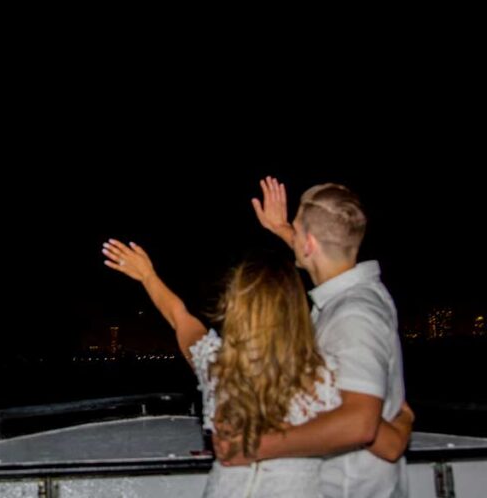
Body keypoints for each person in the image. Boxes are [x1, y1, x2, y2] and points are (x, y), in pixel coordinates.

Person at [102, 239, 413, 497]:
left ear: (236, 308)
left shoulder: (218, 368)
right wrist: (403, 418)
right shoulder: (324, 382)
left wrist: (147, 276)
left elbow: (179, 317)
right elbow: (387, 444)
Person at [215, 177, 411, 497]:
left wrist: (254, 447)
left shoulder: (354, 315)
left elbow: (360, 424)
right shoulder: (352, 295)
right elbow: (322, 249)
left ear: (308, 244)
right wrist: (283, 228)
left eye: (296, 229)